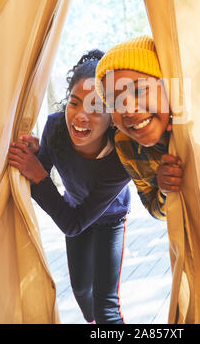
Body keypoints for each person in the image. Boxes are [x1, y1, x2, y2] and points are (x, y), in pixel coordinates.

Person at [8, 50, 131, 325]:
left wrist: (39, 176)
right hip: (73, 207)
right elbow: (39, 167)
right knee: (80, 291)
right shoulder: (55, 128)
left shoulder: (120, 160)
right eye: (75, 103)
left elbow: (70, 222)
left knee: (106, 309)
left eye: (97, 108)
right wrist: (35, 155)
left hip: (110, 220)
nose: (81, 116)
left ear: (114, 116)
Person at [94, 35, 183, 221]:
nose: (128, 109)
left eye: (140, 90)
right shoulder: (124, 143)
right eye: (114, 101)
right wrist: (165, 191)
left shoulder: (195, 126)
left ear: (167, 88)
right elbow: (154, 209)